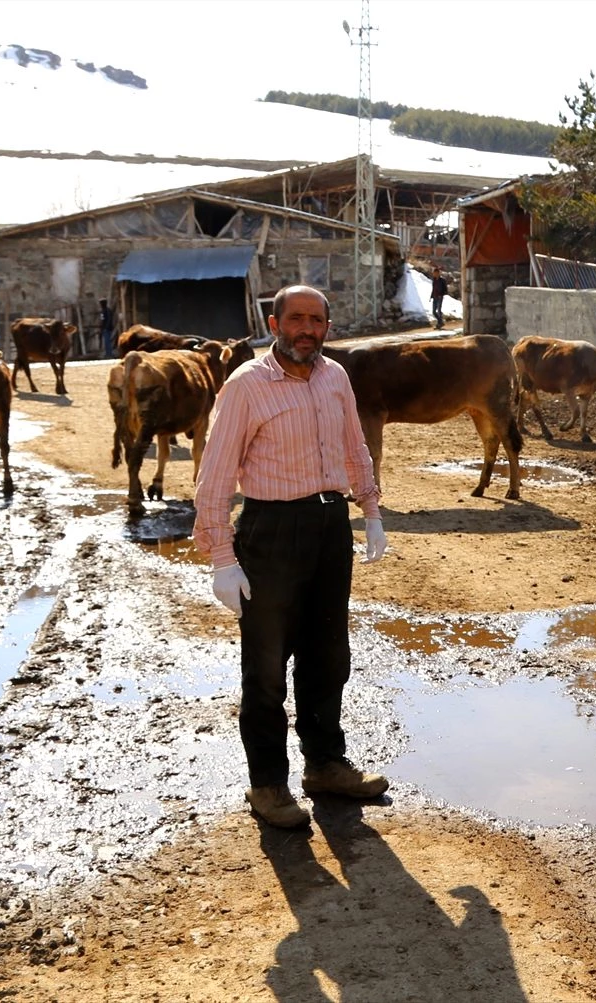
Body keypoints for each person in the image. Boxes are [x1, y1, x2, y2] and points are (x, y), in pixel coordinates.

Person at [192, 284, 390, 828]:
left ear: (328, 326)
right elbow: (215, 475)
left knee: (328, 656)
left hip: (330, 526)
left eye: (317, 320)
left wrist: (370, 511)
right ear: (274, 323)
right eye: (296, 319)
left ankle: (325, 765)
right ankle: (268, 786)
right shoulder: (246, 386)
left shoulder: (336, 376)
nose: (307, 329)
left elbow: (356, 448)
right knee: (267, 667)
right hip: (271, 530)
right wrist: (221, 559)